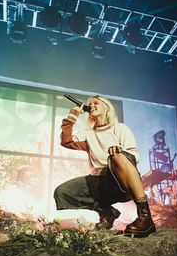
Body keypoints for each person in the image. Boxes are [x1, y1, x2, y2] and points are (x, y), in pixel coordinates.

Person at [54, 95, 156, 237]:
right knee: (62, 191)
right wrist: (73, 115)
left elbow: (134, 156)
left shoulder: (120, 128)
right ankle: (107, 213)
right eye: (90, 104)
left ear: (106, 107)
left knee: (115, 156)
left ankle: (145, 216)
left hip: (121, 181)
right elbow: (66, 141)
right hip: (99, 181)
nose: (92, 105)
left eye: (96, 103)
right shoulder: (88, 134)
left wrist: (117, 155)